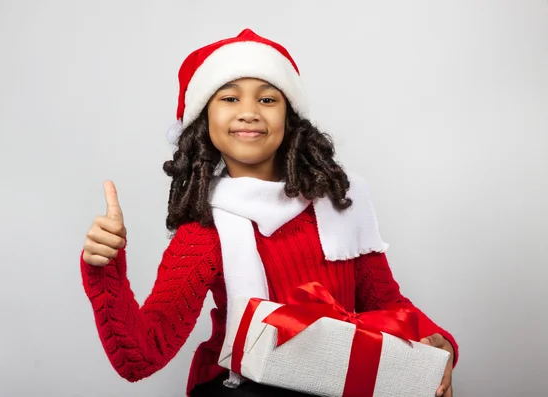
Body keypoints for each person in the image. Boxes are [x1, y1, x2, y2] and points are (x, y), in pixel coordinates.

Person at [80, 28, 458, 397]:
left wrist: (438, 345)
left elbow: (385, 304)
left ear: (289, 117)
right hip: (246, 387)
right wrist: (105, 271)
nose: (248, 113)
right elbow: (141, 358)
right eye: (229, 99)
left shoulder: (339, 201)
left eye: (267, 99)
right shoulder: (204, 234)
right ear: (203, 122)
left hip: (344, 377)